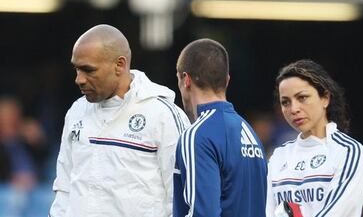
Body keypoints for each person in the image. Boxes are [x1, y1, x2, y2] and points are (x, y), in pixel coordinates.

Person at [48, 24, 190, 217]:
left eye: (88, 70)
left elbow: (181, 196)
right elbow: (64, 186)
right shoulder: (77, 111)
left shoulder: (162, 115)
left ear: (120, 65)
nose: (79, 79)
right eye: (76, 69)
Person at [173, 38, 268, 217]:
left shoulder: (197, 136)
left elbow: (203, 214)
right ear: (227, 80)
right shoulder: (249, 131)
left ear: (186, 80)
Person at [268, 59, 363, 217]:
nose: (294, 109)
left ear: (325, 98)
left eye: (302, 98)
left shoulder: (348, 152)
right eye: (285, 102)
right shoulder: (278, 156)